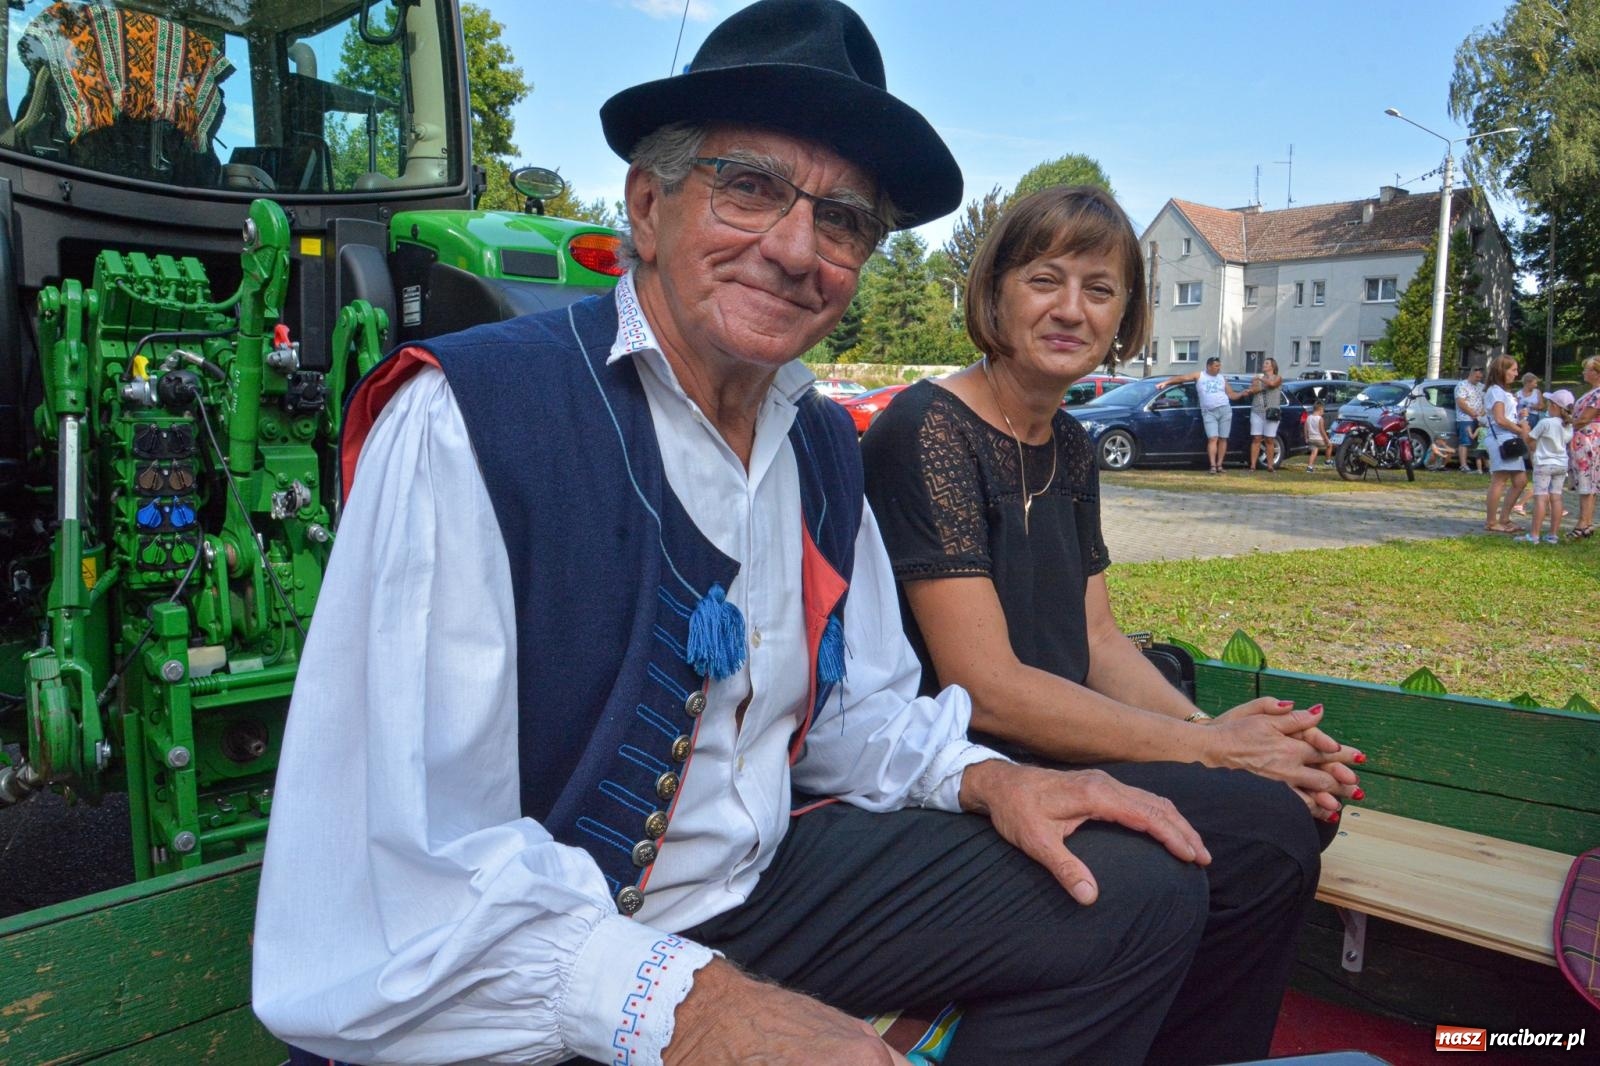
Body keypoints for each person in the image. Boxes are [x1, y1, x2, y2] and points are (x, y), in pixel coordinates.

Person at [252, 5, 1223, 1065]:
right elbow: (403, 868)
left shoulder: (813, 439)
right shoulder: (469, 420)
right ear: (647, 207)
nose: (796, 248)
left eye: (844, 220)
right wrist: (696, 1007)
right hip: (522, 962)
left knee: (1136, 888)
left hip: (758, 896)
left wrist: (988, 777)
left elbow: (859, 713)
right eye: (750, 186)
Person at [860, 186, 1363, 1066]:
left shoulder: (1073, 445)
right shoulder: (926, 429)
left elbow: (1097, 643)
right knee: (1269, 831)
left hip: (1063, 742)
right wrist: (1216, 753)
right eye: (1044, 279)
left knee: (1293, 805)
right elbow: (989, 689)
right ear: (995, 292)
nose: (1070, 309)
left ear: (1126, 314)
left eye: (1099, 289)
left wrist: (1229, 734)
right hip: (968, 775)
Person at [1169, 355, 1256, 473]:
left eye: (1219, 366)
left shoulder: (1221, 378)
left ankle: (1220, 464)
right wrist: (1165, 382)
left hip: (1225, 410)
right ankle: (1213, 466)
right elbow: (1183, 378)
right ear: (1209, 366)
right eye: (1216, 366)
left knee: (1223, 438)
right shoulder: (1200, 375)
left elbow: (1231, 394)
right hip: (1209, 411)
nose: (1218, 368)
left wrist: (1241, 393)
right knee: (1212, 438)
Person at [1482, 354, 1534, 533]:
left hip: (1509, 438)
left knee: (1520, 480)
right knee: (1500, 480)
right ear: (1502, 371)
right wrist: (1520, 430)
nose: (1516, 374)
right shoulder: (1495, 391)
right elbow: (1499, 419)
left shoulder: (1503, 392)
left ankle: (1504, 517)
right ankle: (1491, 521)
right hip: (1501, 439)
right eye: (1513, 370)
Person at [1517, 389, 1575, 544]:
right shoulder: (1568, 426)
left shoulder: (1546, 423)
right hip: (1561, 464)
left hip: (1544, 464)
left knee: (1541, 498)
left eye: (1550, 403)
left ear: (1555, 406)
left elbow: (1529, 441)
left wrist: (1524, 423)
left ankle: (1534, 535)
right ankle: (1552, 536)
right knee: (1556, 498)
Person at [1569, 355, 1600, 539]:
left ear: (1596, 373)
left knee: (1586, 479)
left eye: (1586, 369)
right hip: (1586, 438)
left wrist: (1566, 423)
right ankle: (1587, 522)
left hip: (1589, 439)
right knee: (1590, 481)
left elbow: (1584, 419)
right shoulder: (1593, 392)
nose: (1583, 372)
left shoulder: (1597, 393)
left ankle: (1582, 522)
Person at [1248, 357, 1285, 471]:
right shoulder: (1258, 379)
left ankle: (1270, 465)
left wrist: (1261, 380)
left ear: (1272, 366)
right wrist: (1260, 382)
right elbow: (1253, 390)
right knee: (1256, 438)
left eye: (1267, 363)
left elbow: (1273, 384)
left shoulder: (1278, 377)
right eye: (1264, 363)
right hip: (1257, 411)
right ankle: (1253, 465)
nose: (1264, 365)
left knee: (1269, 439)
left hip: (1271, 412)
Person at [1455, 365, 1486, 473]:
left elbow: (1486, 401)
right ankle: (1463, 465)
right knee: (1465, 441)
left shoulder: (1482, 387)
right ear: (1471, 374)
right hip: (1465, 418)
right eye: (1477, 377)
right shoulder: (1462, 385)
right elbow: (1460, 402)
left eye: (1480, 377)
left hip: (1480, 418)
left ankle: (1482, 465)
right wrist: (1471, 412)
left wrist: (1481, 413)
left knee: (1481, 441)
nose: (1478, 379)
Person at [1304, 400, 1334, 471]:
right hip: (1319, 439)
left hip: (1311, 439)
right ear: (1320, 410)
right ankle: (1328, 461)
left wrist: (1306, 438)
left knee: (1314, 452)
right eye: (1323, 410)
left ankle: (1309, 467)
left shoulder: (1308, 417)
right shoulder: (1320, 419)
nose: (1323, 412)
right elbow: (1322, 431)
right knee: (1330, 445)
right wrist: (1326, 439)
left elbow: (1305, 428)